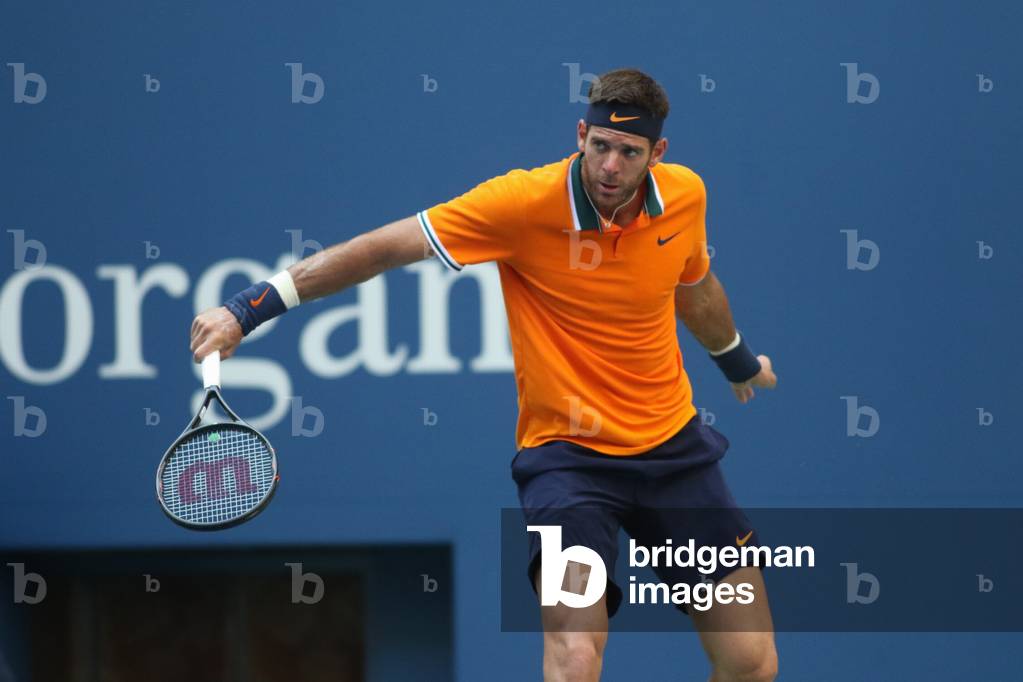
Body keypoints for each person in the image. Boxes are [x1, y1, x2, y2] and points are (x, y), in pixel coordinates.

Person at [190, 67, 778, 681]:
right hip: (568, 463)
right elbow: (381, 249)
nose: (609, 165)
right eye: (600, 145)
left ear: (656, 154)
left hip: (673, 452)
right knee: (575, 658)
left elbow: (694, 284)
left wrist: (734, 358)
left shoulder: (685, 196)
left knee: (751, 662)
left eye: (628, 152)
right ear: (581, 134)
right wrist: (247, 309)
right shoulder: (520, 204)